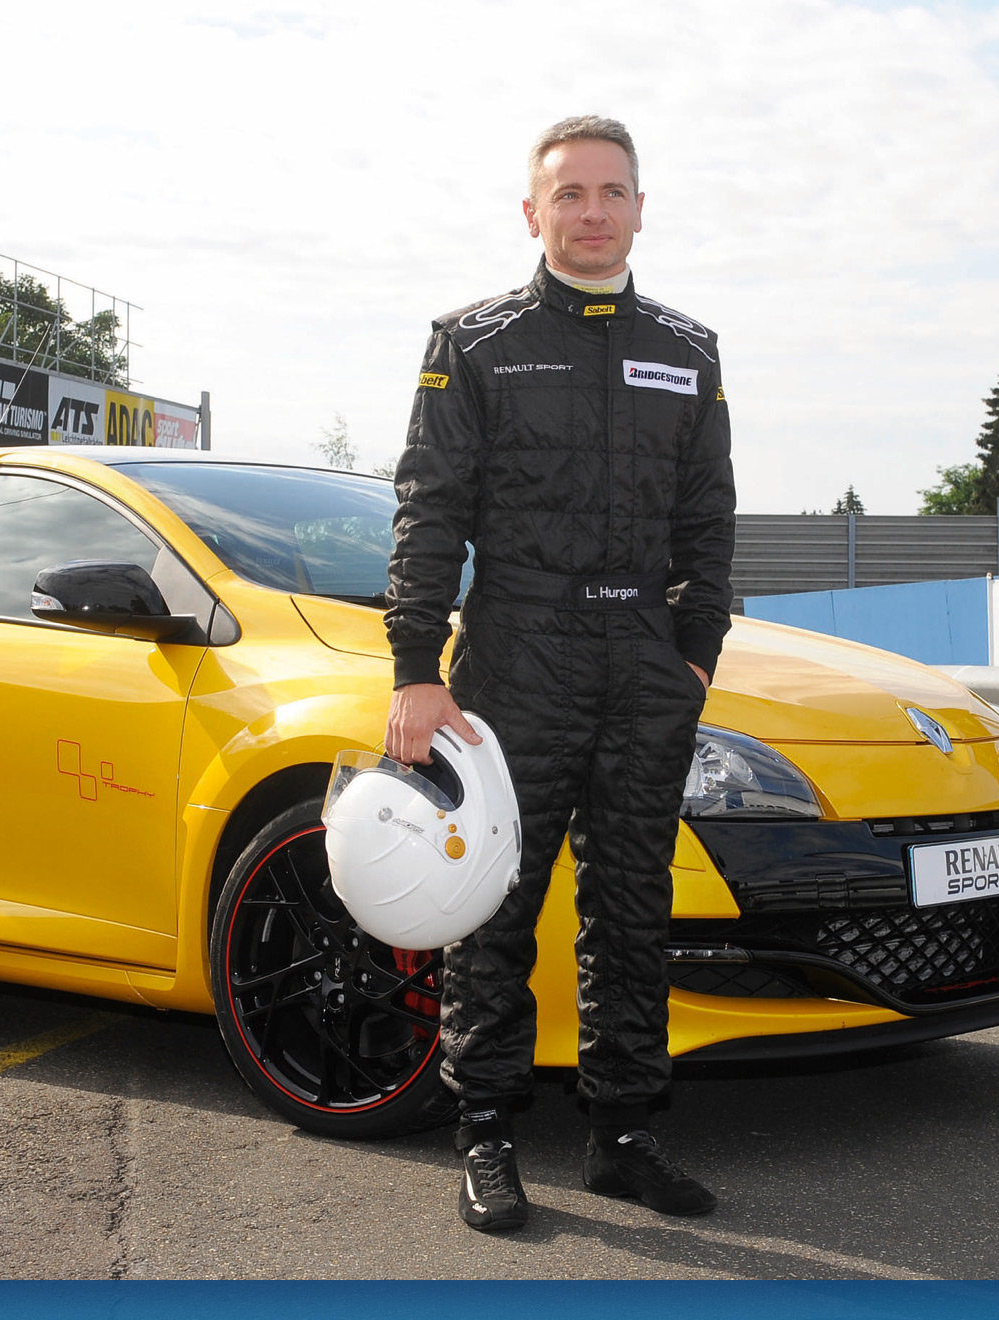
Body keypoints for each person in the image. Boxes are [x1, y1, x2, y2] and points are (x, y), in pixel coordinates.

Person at [383, 115, 737, 1233]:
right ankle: (486, 1135)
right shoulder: (472, 341)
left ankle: (623, 1134)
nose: (592, 212)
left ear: (640, 208)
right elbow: (428, 508)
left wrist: (693, 657)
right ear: (531, 212)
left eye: (612, 193)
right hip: (515, 657)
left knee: (632, 905)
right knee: (496, 904)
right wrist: (413, 663)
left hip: (643, 659)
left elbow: (707, 522)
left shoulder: (688, 351)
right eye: (570, 194)